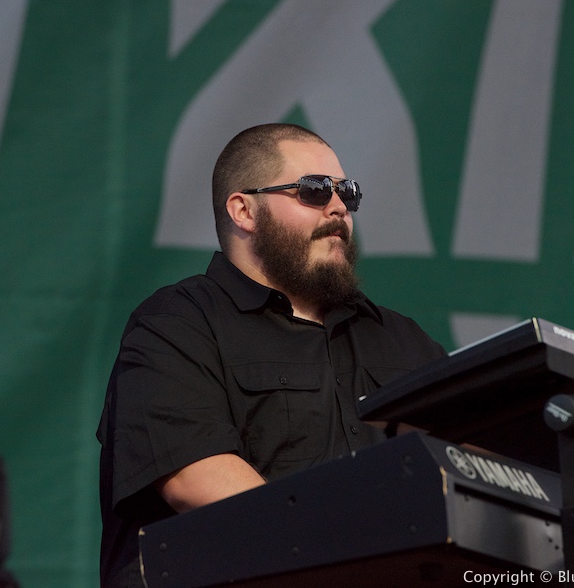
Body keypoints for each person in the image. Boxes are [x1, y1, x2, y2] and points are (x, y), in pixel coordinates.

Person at [96, 123, 446, 587]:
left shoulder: (403, 339)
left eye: (349, 192)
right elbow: (195, 479)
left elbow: (467, 468)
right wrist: (352, 553)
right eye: (315, 190)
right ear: (244, 210)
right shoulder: (176, 324)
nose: (339, 206)